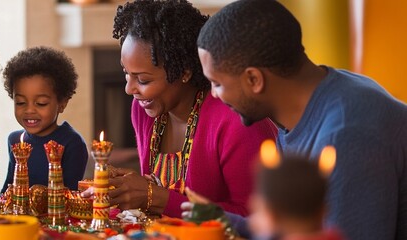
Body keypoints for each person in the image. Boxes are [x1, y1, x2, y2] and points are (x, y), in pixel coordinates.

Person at [193, 0, 407, 239]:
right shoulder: (311, 99)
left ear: (254, 79)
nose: (213, 94)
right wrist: (222, 220)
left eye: (217, 83)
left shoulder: (346, 134)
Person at [84, 0, 277, 218]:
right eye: (126, 73)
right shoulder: (144, 110)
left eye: (143, 80)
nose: (129, 89)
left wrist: (156, 198)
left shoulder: (238, 121)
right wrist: (129, 188)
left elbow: (255, 218)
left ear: (184, 72)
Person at [1, 46, 88, 193]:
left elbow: (70, 195)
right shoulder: (15, 140)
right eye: (21, 102)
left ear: (62, 103)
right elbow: (7, 191)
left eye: (41, 103)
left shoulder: (71, 143)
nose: (29, 110)